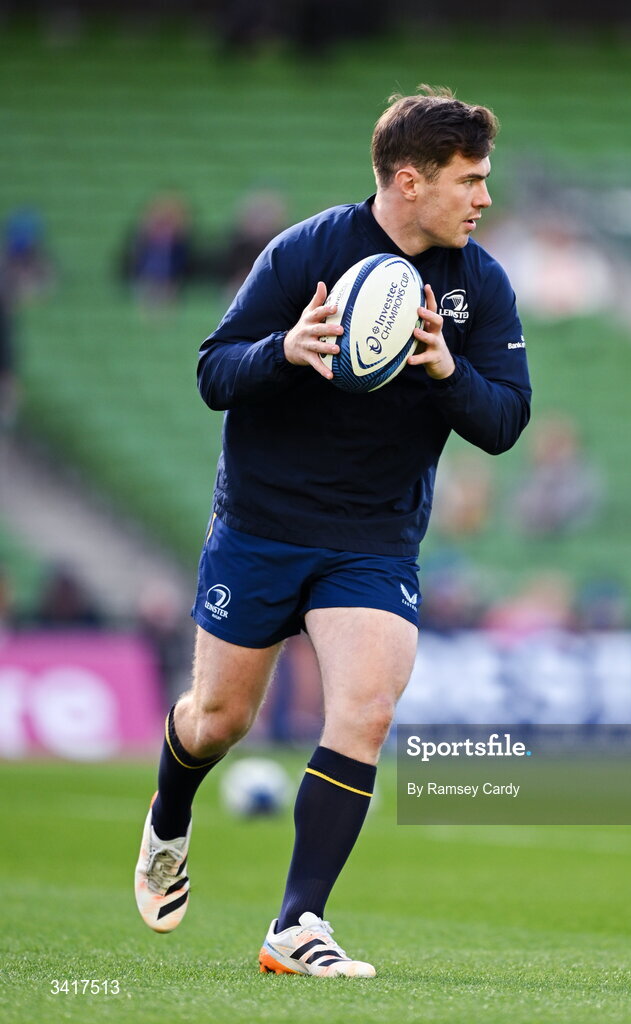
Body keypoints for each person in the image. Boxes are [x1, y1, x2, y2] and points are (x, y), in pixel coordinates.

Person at [134, 87, 531, 978]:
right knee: (216, 721)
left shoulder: (481, 285)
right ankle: (168, 818)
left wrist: (443, 371)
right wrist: (287, 351)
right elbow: (212, 372)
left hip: (375, 539)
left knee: (365, 711)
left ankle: (297, 923)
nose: (483, 198)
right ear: (408, 179)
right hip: (263, 526)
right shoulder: (306, 252)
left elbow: (505, 420)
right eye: (469, 180)